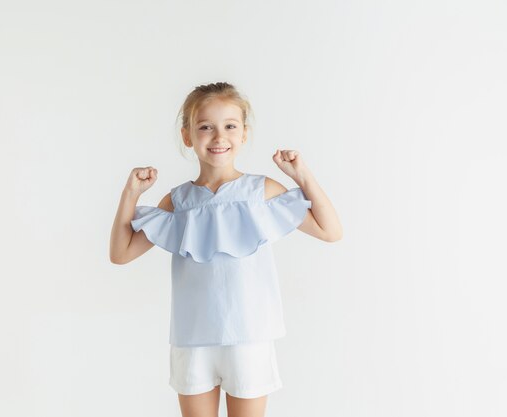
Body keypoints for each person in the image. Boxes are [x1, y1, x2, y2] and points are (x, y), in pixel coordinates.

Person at [109, 81, 342, 417]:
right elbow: (121, 253)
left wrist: (302, 175)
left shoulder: (260, 192)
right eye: (205, 127)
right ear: (188, 136)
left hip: (249, 336)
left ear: (243, 134)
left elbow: (330, 230)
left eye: (230, 126)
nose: (219, 137)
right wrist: (130, 194)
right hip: (193, 340)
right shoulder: (179, 202)